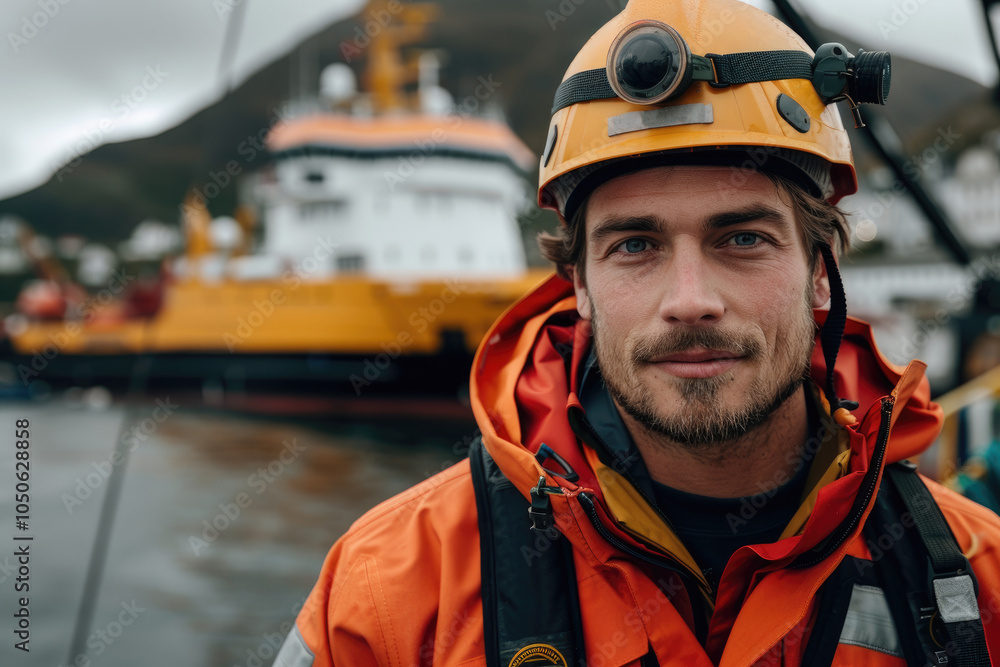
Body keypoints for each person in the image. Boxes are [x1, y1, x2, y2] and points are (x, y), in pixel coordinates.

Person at [274, 0, 1000, 664]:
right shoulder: (386, 599)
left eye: (742, 238)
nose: (690, 301)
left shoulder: (983, 577)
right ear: (578, 284)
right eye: (635, 246)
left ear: (821, 270)